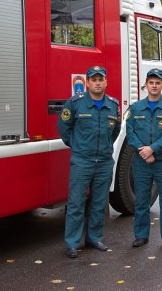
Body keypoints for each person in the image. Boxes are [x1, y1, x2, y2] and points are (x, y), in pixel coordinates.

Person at [58, 66, 121, 258]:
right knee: (76, 202)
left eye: (100, 79)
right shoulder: (75, 103)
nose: (97, 83)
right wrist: (77, 146)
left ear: (106, 82)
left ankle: (94, 238)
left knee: (99, 202)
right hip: (82, 161)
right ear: (87, 83)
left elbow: (115, 130)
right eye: (93, 80)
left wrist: (105, 148)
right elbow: (64, 128)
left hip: (103, 162)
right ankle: (72, 243)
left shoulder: (113, 104)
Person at [126, 68, 162, 250]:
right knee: (141, 201)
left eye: (158, 83)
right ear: (146, 85)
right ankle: (141, 236)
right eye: (151, 83)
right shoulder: (135, 108)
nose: (154, 86)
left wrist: (152, 149)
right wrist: (144, 152)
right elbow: (130, 132)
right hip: (141, 162)